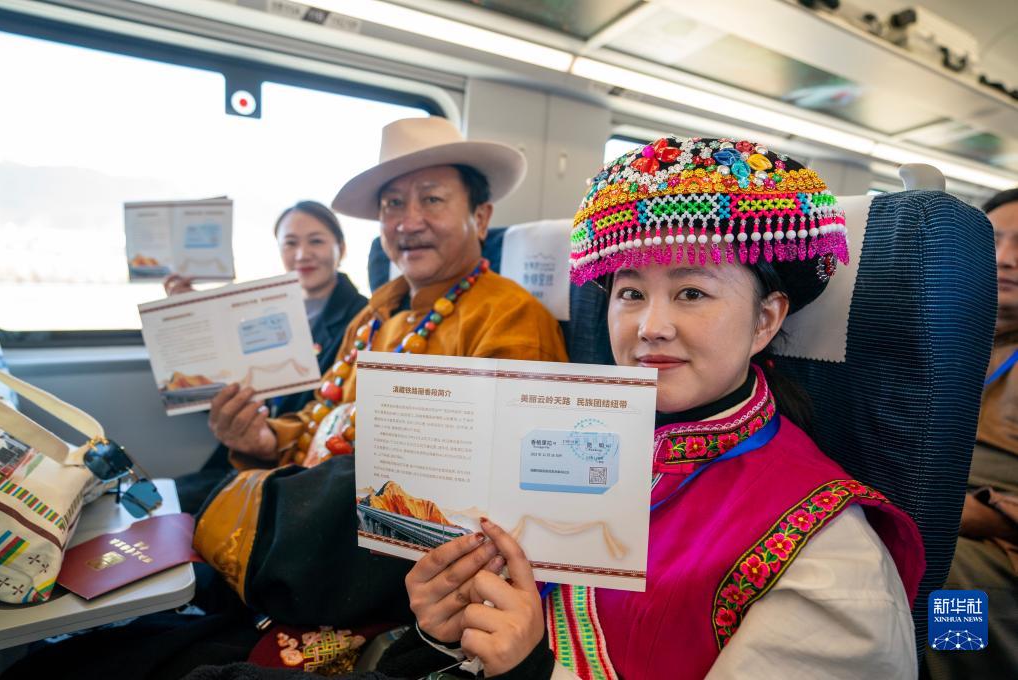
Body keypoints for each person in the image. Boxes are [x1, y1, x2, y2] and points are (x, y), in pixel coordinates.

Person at [374, 136, 926, 679]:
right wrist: (443, 631)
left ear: (765, 320)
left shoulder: (827, 550)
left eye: (692, 293)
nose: (650, 327)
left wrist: (533, 671)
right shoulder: (556, 445)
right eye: (631, 294)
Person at [192, 116, 569, 631]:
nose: (407, 222)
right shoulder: (376, 313)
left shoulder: (511, 318)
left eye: (431, 199)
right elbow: (323, 414)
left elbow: (494, 486)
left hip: (393, 558)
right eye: (392, 204)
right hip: (315, 522)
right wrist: (262, 439)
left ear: (480, 218)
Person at [171, 201, 368, 513]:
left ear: (341, 249)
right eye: (290, 243)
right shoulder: (263, 315)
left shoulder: (363, 321)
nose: (302, 254)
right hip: (244, 451)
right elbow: (221, 389)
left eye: (316, 241)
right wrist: (193, 317)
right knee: (169, 499)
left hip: (294, 465)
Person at [925, 188, 1018, 679]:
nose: (1004, 259)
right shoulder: (932, 331)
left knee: (946, 584)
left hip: (993, 541)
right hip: (919, 503)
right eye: (993, 241)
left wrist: (951, 512)